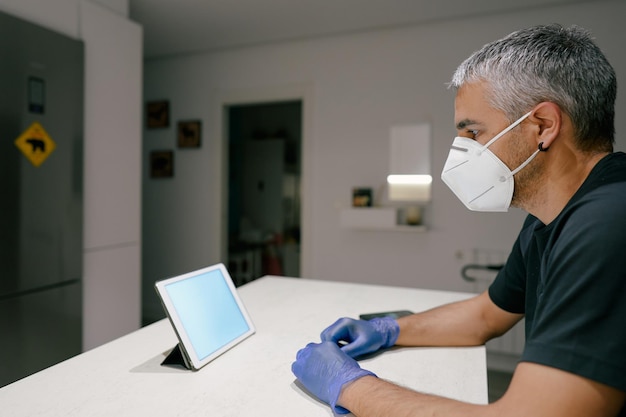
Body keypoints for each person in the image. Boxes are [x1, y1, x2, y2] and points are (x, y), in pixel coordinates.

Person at [291, 24, 626, 417]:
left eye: (474, 132)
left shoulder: (606, 222)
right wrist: (389, 329)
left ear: (543, 126)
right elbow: (486, 315)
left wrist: (350, 386)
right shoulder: (550, 217)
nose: (462, 153)